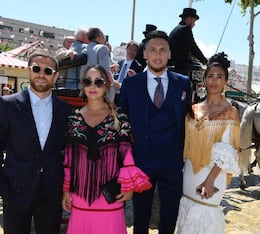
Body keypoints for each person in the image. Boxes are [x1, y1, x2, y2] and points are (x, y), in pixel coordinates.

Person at [0, 49, 72, 234]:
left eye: (48, 71)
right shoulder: (7, 105)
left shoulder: (66, 110)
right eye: (36, 68)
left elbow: (69, 150)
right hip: (15, 189)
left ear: (55, 77)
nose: (42, 74)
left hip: (51, 191)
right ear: (28, 71)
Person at [61, 64, 152, 234]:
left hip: (110, 195)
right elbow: (69, 158)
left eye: (98, 82)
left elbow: (127, 154)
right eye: (88, 81)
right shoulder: (73, 118)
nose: (93, 86)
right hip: (80, 195)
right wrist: (66, 191)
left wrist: (128, 187)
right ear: (83, 85)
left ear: (107, 84)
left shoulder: (120, 117)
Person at [119, 30, 192, 234]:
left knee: (169, 216)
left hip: (172, 162)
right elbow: (121, 117)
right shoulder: (131, 84)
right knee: (140, 216)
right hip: (141, 161)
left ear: (169, 53)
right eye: (153, 50)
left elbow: (189, 118)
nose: (157, 55)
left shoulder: (183, 83)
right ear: (145, 54)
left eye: (162, 50)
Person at [176, 52, 241, 234]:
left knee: (205, 218)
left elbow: (228, 149)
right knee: (187, 217)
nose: (214, 81)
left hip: (212, 175)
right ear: (204, 79)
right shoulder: (193, 109)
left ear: (226, 81)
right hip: (189, 173)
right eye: (210, 76)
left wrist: (210, 181)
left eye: (219, 77)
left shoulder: (230, 111)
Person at [169, 7, 208, 76]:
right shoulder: (185, 29)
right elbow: (193, 47)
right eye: (194, 21)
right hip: (180, 66)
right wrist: (205, 61)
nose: (194, 24)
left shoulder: (176, 29)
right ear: (189, 19)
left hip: (172, 63)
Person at [81, 27, 115, 102]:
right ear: (99, 35)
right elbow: (105, 71)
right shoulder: (102, 48)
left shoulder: (84, 49)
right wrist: (113, 83)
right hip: (98, 88)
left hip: (84, 86)